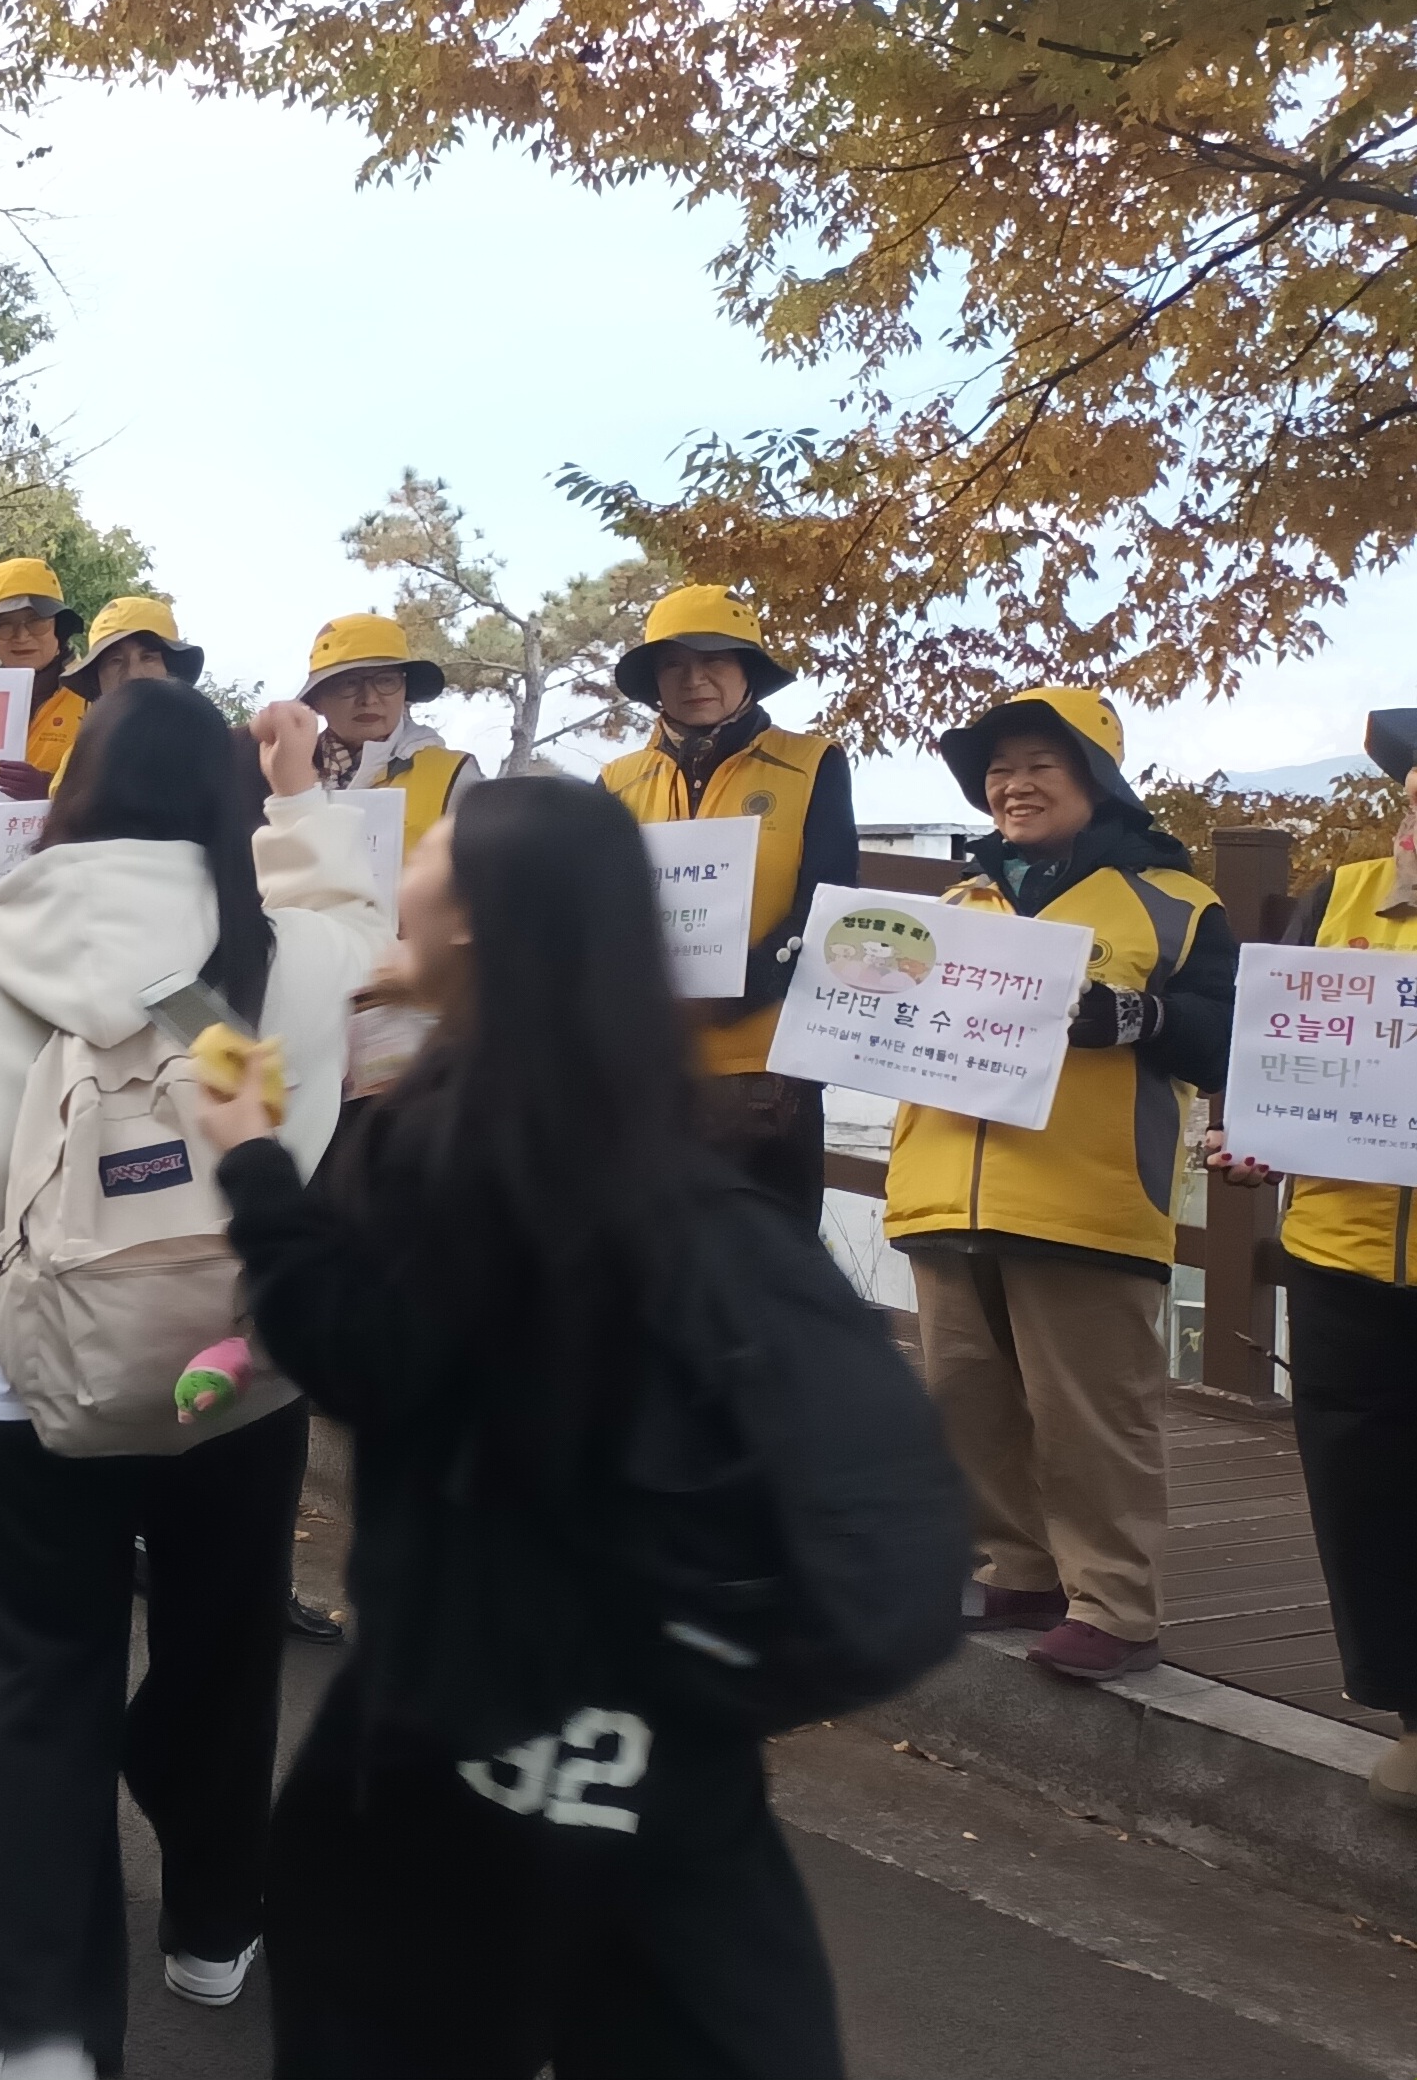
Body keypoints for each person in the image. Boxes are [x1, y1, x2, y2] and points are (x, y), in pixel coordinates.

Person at [200, 775, 847, 2080]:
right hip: (658, 1731)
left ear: (483, 920)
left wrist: (255, 1166)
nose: (413, 860)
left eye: (433, 850)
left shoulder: (463, 1130)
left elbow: (362, 1353)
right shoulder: (662, 1121)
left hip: (468, 1702)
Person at [0, 682, 392, 2080]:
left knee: (42, 1680)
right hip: (236, 1372)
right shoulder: (279, 951)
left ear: (83, 794)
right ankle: (216, 1921)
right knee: (225, 1645)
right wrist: (297, 797)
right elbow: (362, 944)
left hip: (37, 1374)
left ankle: (41, 2030)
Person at [885, 687, 1233, 1683]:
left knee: (1092, 1414)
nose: (1012, 784)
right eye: (997, 769)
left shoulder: (1172, 901)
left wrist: (1137, 1017)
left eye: (1039, 763)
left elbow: (1226, 1035)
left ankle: (1114, 1604)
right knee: (967, 1401)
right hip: (941, 1188)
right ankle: (1015, 1570)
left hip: (1086, 1197)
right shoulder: (957, 904)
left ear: (1095, 778)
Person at [1204, 707, 1417, 1809]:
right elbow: (1266, 1052)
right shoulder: (1336, 899)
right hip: (1338, 1247)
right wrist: (1245, 1134)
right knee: (1362, 1485)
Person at [599, 584, 858, 1223]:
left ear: (749, 671)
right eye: (673, 663)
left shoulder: (813, 763)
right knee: (652, 1269)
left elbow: (830, 898)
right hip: (649, 1069)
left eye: (715, 659)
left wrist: (756, 980)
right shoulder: (615, 780)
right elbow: (596, 909)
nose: (694, 678)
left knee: (775, 1271)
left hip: (770, 1074)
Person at [298, 612, 476, 852]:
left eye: (386, 681)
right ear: (317, 700)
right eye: (349, 683)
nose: (369, 698)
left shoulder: (454, 774)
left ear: (405, 691)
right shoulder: (283, 770)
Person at [0, 556, 85, 799]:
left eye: (36, 622)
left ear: (60, 629)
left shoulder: (93, 698)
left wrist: (52, 790)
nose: (21, 636)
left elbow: (117, 790)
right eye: (5, 624)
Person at [58, 595, 201, 708]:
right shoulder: (84, 744)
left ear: (172, 670)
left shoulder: (206, 742)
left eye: (147, 658)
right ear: (96, 678)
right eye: (116, 660)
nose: (132, 674)